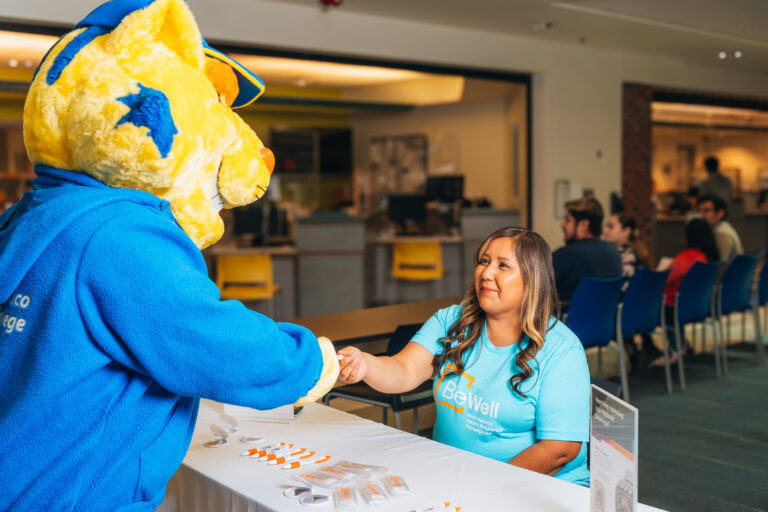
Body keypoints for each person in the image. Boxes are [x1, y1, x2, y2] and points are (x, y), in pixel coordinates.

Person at [338, 227, 591, 486]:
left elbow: (560, 449)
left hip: (538, 488)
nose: (487, 272)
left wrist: (486, 489)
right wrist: (365, 364)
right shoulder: (452, 320)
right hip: (457, 478)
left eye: (503, 266)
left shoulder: (562, 350)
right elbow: (404, 370)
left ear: (532, 280)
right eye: (484, 261)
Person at [651, 218, 720, 366]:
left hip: (673, 308)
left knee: (640, 309)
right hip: (695, 307)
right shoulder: (705, 258)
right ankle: (680, 344)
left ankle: (672, 348)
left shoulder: (686, 258)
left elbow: (664, 278)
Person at [553, 197, 623, 303]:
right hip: (605, 319)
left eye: (568, 220)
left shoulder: (565, 254)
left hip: (566, 318)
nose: (562, 225)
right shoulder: (614, 251)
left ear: (583, 225)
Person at [602, 212, 650, 280]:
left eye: (610, 226)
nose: (605, 230)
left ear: (626, 231)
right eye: (605, 226)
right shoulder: (635, 250)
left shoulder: (624, 255)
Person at [696, 194, 743, 263]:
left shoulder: (722, 233)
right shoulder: (723, 226)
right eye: (699, 210)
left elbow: (721, 265)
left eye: (706, 210)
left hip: (729, 273)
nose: (701, 215)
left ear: (720, 213)